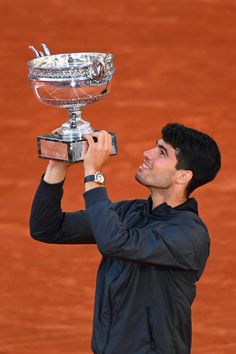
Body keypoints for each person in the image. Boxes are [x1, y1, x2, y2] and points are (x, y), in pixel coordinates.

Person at [29, 123, 221, 354]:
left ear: (183, 176)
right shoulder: (130, 213)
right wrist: (57, 166)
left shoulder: (189, 234)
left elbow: (115, 242)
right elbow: (47, 228)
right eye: (155, 146)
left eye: (162, 152)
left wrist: (93, 173)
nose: (147, 154)